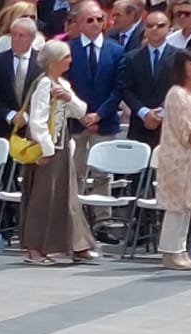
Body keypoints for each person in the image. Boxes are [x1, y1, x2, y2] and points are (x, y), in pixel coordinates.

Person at [20, 41, 98, 264]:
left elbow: (81, 111)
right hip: (49, 149)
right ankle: (34, 248)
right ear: (54, 61)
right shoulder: (43, 84)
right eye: (66, 57)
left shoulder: (62, 84)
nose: (70, 61)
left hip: (63, 146)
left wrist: (68, 97)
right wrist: (47, 150)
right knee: (43, 198)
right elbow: (37, 121)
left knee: (68, 195)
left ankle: (77, 244)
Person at [156, 49, 191, 270]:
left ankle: (181, 248)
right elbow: (185, 126)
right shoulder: (176, 93)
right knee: (176, 204)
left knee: (188, 204)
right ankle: (170, 251)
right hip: (178, 155)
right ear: (182, 67)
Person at [64, 1, 125, 193]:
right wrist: (81, 114)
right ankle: (73, 210)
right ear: (79, 23)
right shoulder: (68, 49)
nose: (96, 23)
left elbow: (119, 88)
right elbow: (65, 86)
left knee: (103, 173)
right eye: (90, 20)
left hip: (104, 122)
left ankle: (103, 211)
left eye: (100, 19)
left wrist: (98, 115)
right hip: (76, 123)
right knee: (74, 172)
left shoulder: (116, 50)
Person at [120, 11, 178, 146]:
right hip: (140, 125)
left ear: (169, 28)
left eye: (160, 25)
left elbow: (181, 88)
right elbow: (125, 89)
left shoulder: (179, 56)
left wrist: (161, 113)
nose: (155, 29)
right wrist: (144, 112)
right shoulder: (131, 58)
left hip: (169, 124)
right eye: (150, 25)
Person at [0, 16, 39, 138]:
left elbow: (45, 95)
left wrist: (26, 115)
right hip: (3, 127)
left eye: (21, 35)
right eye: (14, 35)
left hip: (33, 129)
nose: (16, 39)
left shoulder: (42, 63)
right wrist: (10, 115)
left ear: (32, 38)